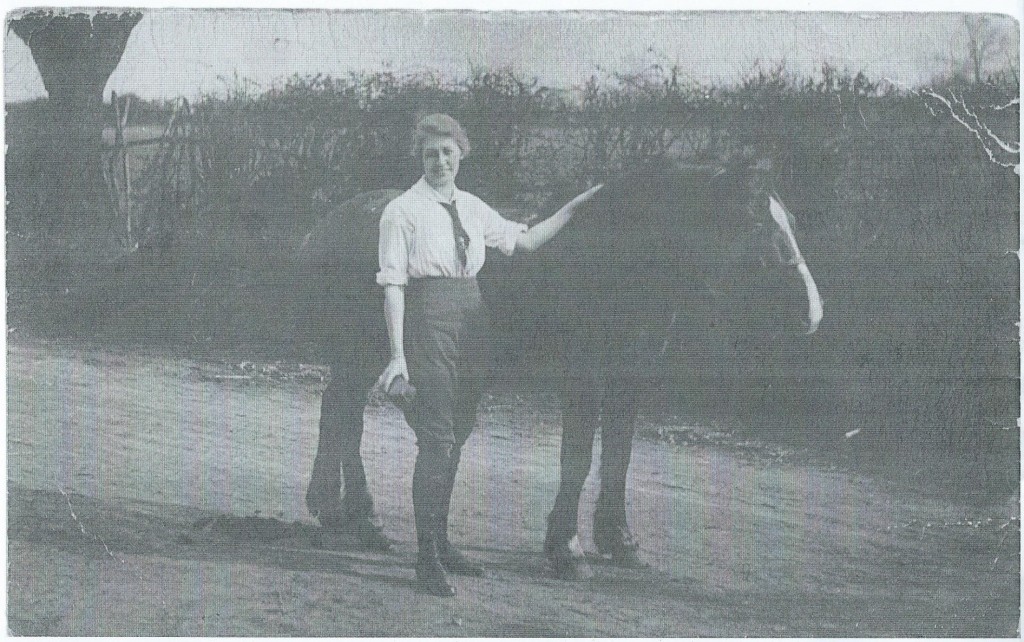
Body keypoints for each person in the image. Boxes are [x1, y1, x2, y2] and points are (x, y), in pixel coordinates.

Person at [376, 113, 601, 597]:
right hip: (429, 320)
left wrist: (579, 205)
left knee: (458, 431)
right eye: (430, 154)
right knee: (436, 439)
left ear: (461, 156)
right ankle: (425, 558)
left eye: (447, 153)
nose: (440, 162)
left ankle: (442, 540)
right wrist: (397, 356)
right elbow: (394, 285)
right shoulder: (401, 211)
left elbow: (529, 240)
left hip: (473, 320)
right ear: (420, 159)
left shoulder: (474, 208)